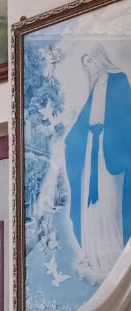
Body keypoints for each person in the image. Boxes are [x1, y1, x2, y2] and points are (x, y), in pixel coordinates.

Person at [65, 43, 131, 279]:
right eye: (85, 64)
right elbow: (82, 124)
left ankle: (114, 259)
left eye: (90, 61)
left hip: (109, 153)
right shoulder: (93, 89)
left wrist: (110, 137)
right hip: (91, 152)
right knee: (91, 206)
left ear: (99, 58)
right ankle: (94, 256)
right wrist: (70, 141)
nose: (89, 67)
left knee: (110, 203)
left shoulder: (119, 80)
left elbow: (126, 118)